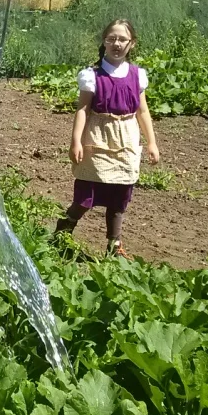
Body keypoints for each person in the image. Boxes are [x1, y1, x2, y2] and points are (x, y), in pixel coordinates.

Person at [54, 19, 161, 258]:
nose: (117, 43)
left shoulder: (137, 75)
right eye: (111, 38)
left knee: (120, 196)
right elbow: (82, 109)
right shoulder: (92, 76)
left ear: (131, 43)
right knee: (85, 195)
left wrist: (151, 143)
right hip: (97, 137)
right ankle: (62, 232)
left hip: (126, 139)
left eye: (122, 39)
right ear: (104, 42)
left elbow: (143, 111)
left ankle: (114, 245)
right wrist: (76, 141)